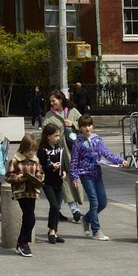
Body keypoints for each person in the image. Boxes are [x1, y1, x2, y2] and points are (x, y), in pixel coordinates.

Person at [69, 114, 126, 239]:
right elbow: (74, 161)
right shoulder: (78, 143)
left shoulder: (97, 140)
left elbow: (107, 154)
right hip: (85, 174)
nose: (87, 128)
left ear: (92, 126)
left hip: (97, 173)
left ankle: (87, 219)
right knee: (94, 202)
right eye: (84, 126)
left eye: (89, 125)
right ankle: (96, 230)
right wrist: (74, 177)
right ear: (80, 128)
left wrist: (120, 160)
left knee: (103, 202)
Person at [42, 90, 84, 221]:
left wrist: (73, 124)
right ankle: (75, 210)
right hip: (58, 152)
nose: (52, 103)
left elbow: (84, 123)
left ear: (60, 99)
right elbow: (45, 131)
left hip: (73, 151)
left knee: (74, 179)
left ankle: (58, 210)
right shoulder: (49, 115)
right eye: (50, 101)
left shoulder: (72, 111)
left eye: (54, 100)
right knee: (64, 179)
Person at [7, 134, 44, 256]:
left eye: (33, 150)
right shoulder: (15, 160)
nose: (31, 152)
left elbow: (41, 173)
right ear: (23, 148)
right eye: (29, 150)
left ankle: (21, 242)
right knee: (29, 216)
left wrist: (38, 178)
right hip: (21, 191)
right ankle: (23, 243)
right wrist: (19, 177)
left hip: (32, 191)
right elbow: (8, 176)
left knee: (30, 217)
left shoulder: (36, 159)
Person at [38, 122, 68, 244]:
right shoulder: (42, 150)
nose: (58, 138)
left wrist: (64, 171)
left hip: (58, 181)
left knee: (57, 207)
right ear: (48, 136)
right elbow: (41, 167)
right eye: (55, 136)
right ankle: (51, 230)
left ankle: (54, 231)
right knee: (54, 205)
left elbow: (63, 162)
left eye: (58, 135)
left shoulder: (59, 148)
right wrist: (52, 167)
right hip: (48, 182)